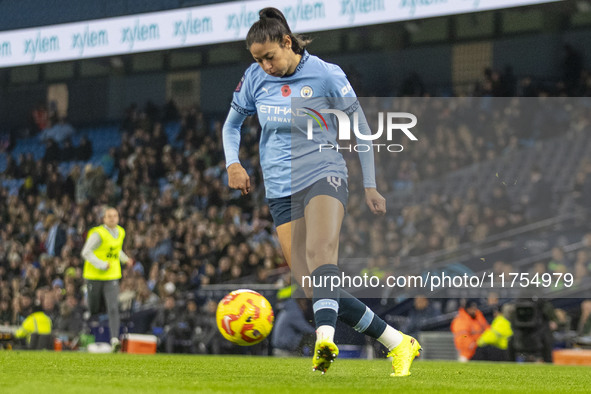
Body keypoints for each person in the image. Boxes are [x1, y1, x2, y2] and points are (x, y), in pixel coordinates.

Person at [222, 7, 420, 376]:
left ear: (286, 42)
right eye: (257, 60)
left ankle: (324, 339)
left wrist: (370, 184)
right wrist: (233, 162)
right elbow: (232, 125)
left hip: (323, 172)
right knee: (311, 287)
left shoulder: (327, 75)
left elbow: (361, 128)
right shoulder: (254, 79)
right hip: (280, 189)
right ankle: (396, 341)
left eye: (270, 57)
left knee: (321, 253)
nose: (264, 66)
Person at [81, 206, 132, 352]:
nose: (112, 218)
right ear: (104, 219)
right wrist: (102, 264)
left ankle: (115, 339)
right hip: (94, 276)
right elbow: (86, 252)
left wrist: (125, 259)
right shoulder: (98, 234)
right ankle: (85, 332)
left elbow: (116, 250)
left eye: (115, 215)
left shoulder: (121, 232)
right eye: (109, 216)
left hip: (112, 276)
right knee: (94, 309)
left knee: (113, 308)